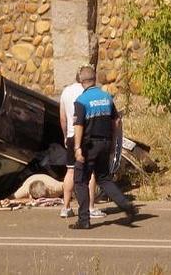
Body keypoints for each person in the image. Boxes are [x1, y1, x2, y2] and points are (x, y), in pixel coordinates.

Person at [70, 65, 137, 229]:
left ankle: (84, 220)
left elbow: (78, 125)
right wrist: (114, 143)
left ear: (82, 82)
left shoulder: (81, 101)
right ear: (94, 80)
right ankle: (127, 206)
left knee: (80, 181)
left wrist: (77, 147)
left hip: (88, 145)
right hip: (105, 143)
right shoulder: (106, 97)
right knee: (104, 179)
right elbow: (116, 121)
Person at [59, 70, 106, 219]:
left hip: (71, 135)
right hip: (85, 137)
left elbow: (62, 118)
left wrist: (65, 136)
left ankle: (65, 207)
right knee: (89, 173)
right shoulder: (86, 92)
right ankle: (90, 207)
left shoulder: (66, 91)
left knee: (70, 171)